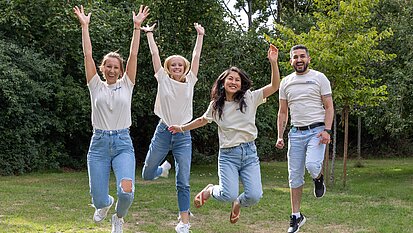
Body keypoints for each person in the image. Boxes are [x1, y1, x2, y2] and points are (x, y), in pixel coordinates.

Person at [169, 44, 280, 225]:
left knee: (254, 196)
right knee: (227, 194)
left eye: (237, 80)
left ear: (241, 84)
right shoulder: (216, 106)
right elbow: (202, 120)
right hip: (228, 155)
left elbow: (275, 86)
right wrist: (181, 128)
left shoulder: (250, 98)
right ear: (223, 82)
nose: (234, 82)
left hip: (250, 153)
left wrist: (273, 63)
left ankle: (238, 202)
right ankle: (211, 190)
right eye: (230, 78)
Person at [73, 5, 149, 233]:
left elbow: (134, 54)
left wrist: (137, 28)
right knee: (97, 198)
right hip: (98, 145)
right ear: (102, 68)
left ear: (121, 69)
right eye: (108, 66)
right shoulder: (95, 85)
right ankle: (104, 204)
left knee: (126, 191)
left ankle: (119, 217)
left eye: (116, 67)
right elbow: (87, 54)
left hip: (123, 144)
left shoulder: (128, 84)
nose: (112, 69)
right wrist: (84, 27)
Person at [140, 22, 204, 233]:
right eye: (173, 65)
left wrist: (200, 35)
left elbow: (196, 56)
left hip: (184, 134)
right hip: (164, 131)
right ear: (168, 68)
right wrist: (149, 34)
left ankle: (184, 221)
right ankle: (162, 169)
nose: (176, 68)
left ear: (184, 68)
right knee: (147, 174)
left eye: (180, 65)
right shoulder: (162, 80)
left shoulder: (190, 81)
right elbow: (154, 55)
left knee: (183, 180)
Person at [275, 44, 334, 233]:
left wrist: (327, 130)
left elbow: (329, 107)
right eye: (295, 57)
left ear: (308, 58)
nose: (299, 60)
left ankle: (318, 178)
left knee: (312, 165)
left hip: (316, 131)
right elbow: (283, 112)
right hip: (295, 133)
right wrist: (280, 135)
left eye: (302, 56)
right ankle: (296, 216)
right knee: (294, 177)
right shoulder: (286, 82)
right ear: (291, 60)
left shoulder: (319, 78)